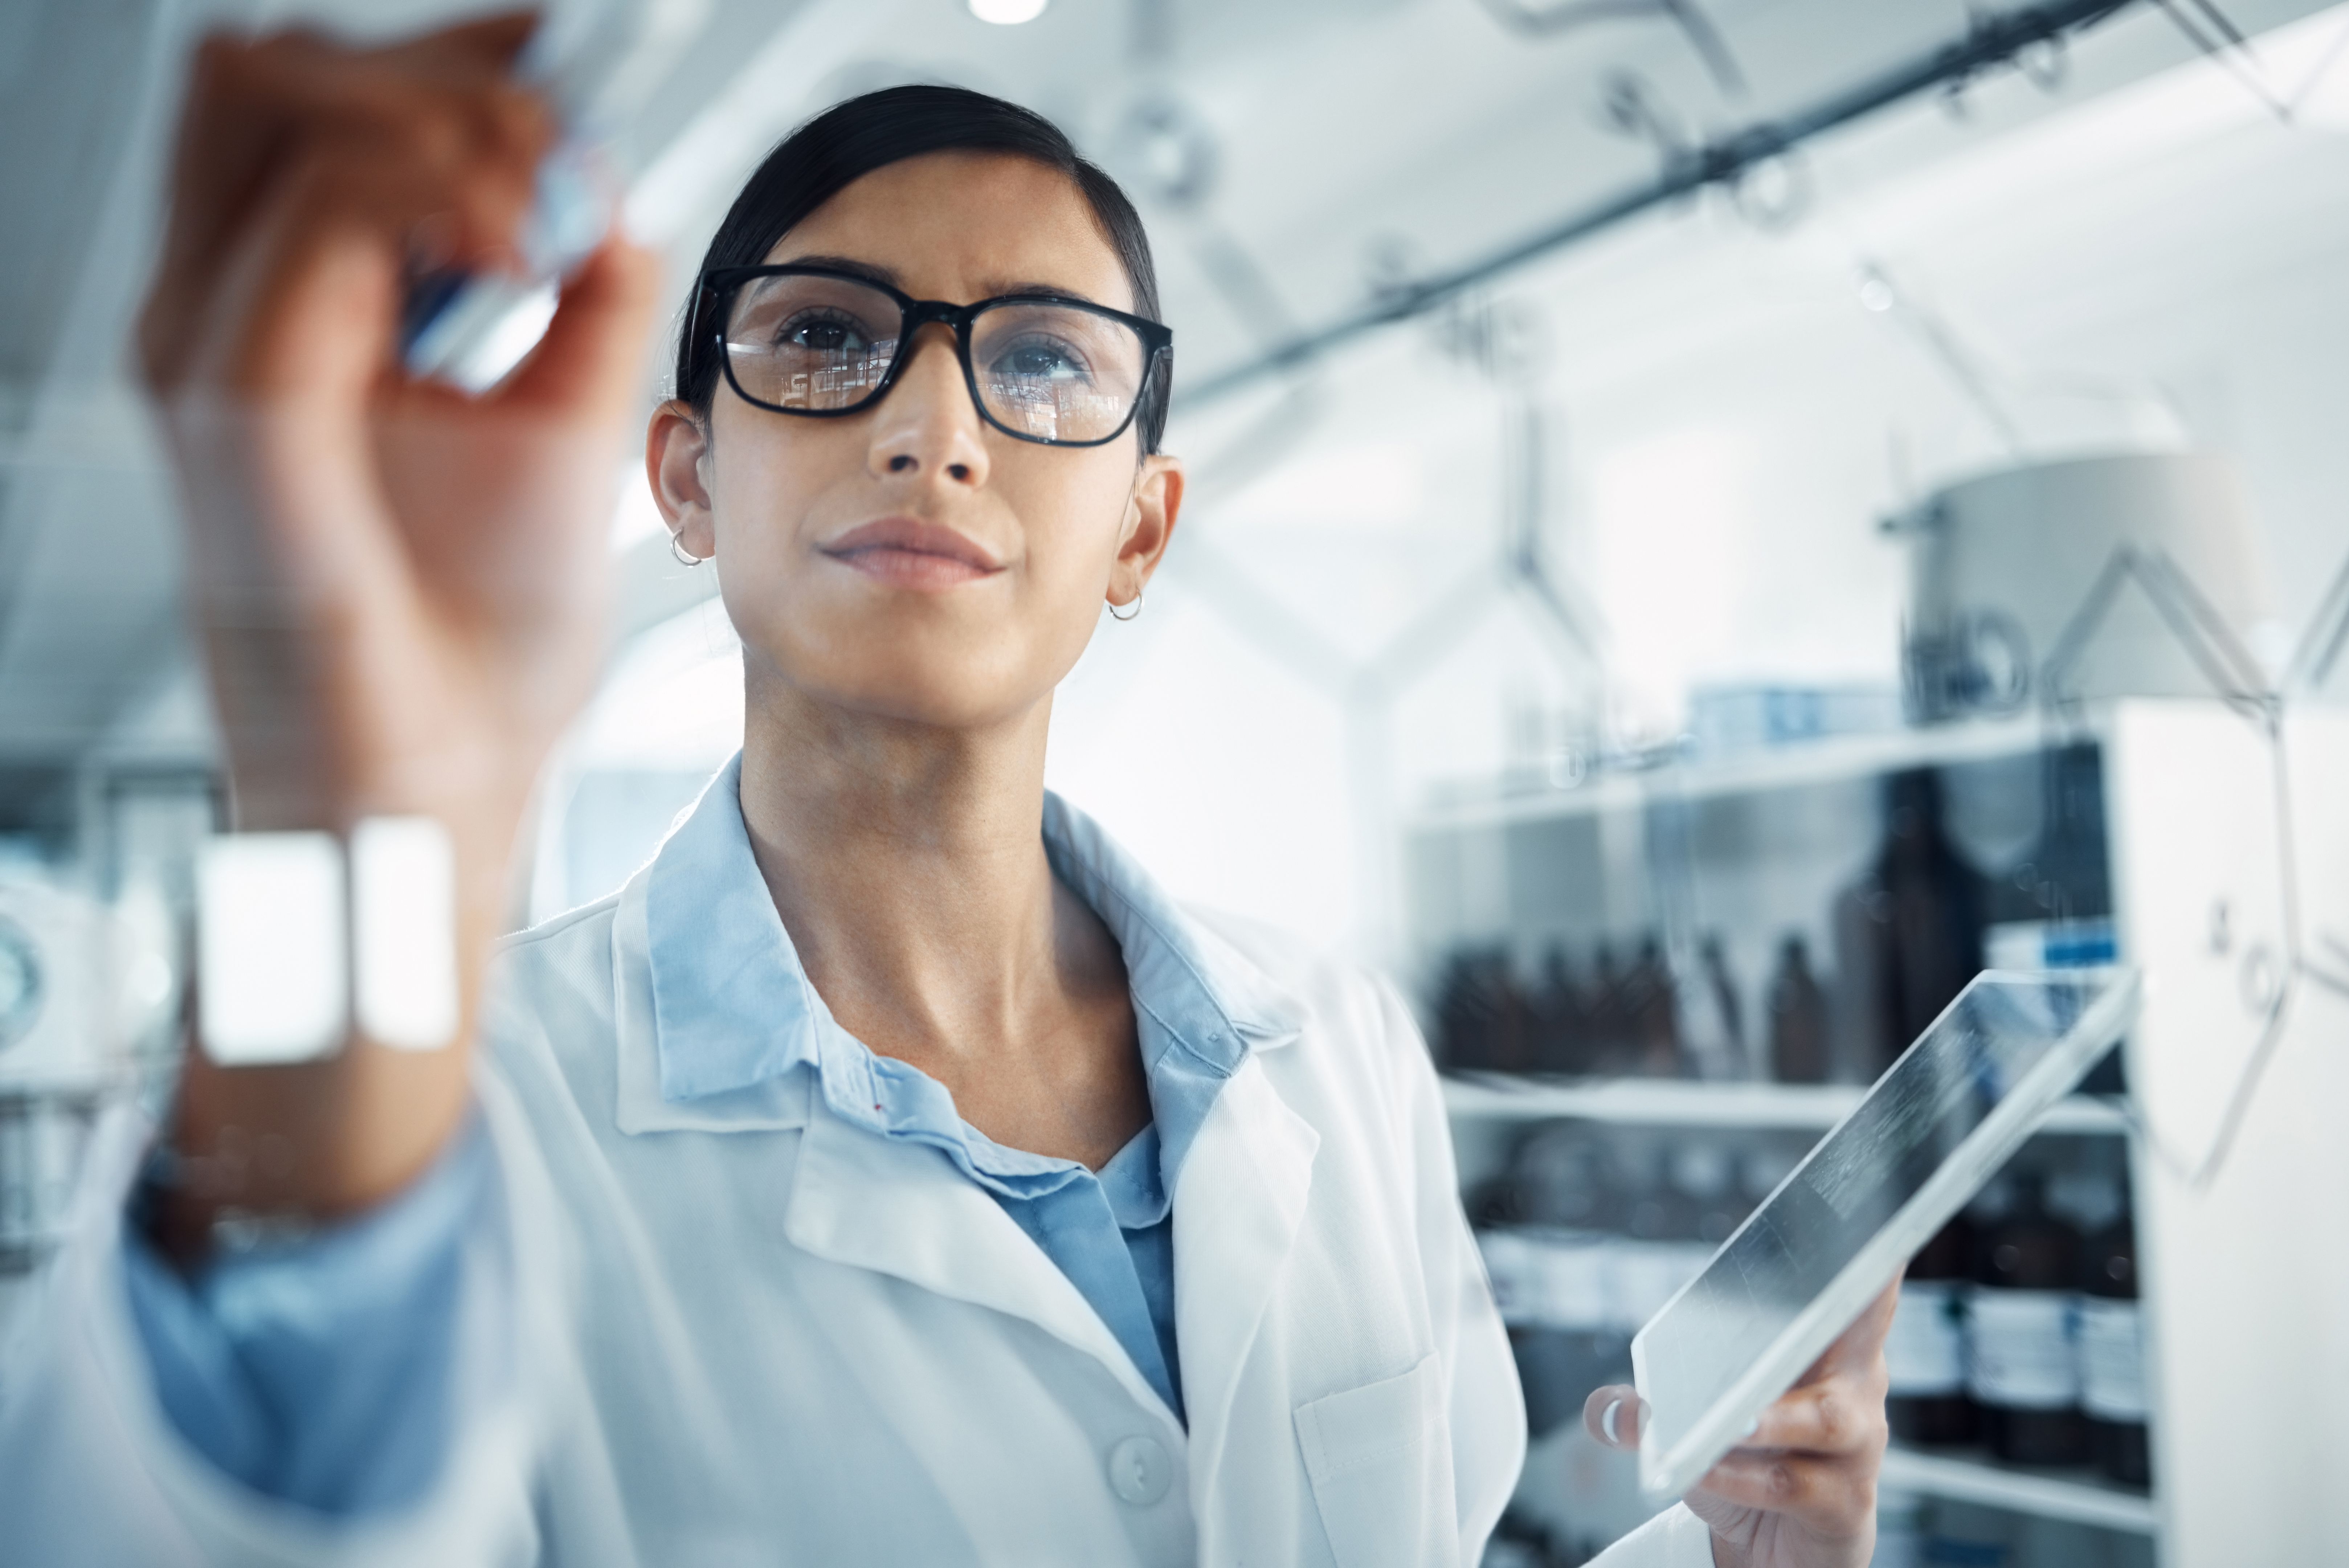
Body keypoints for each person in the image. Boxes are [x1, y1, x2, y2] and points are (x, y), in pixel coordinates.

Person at [0, 17, 1895, 1567]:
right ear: (683, 479)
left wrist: (1747, 1561)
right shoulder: (459, 1115)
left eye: (1047, 365)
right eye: (827, 338)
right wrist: (349, 829)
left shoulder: (1327, 1047)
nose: (936, 427)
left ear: (1141, 525)